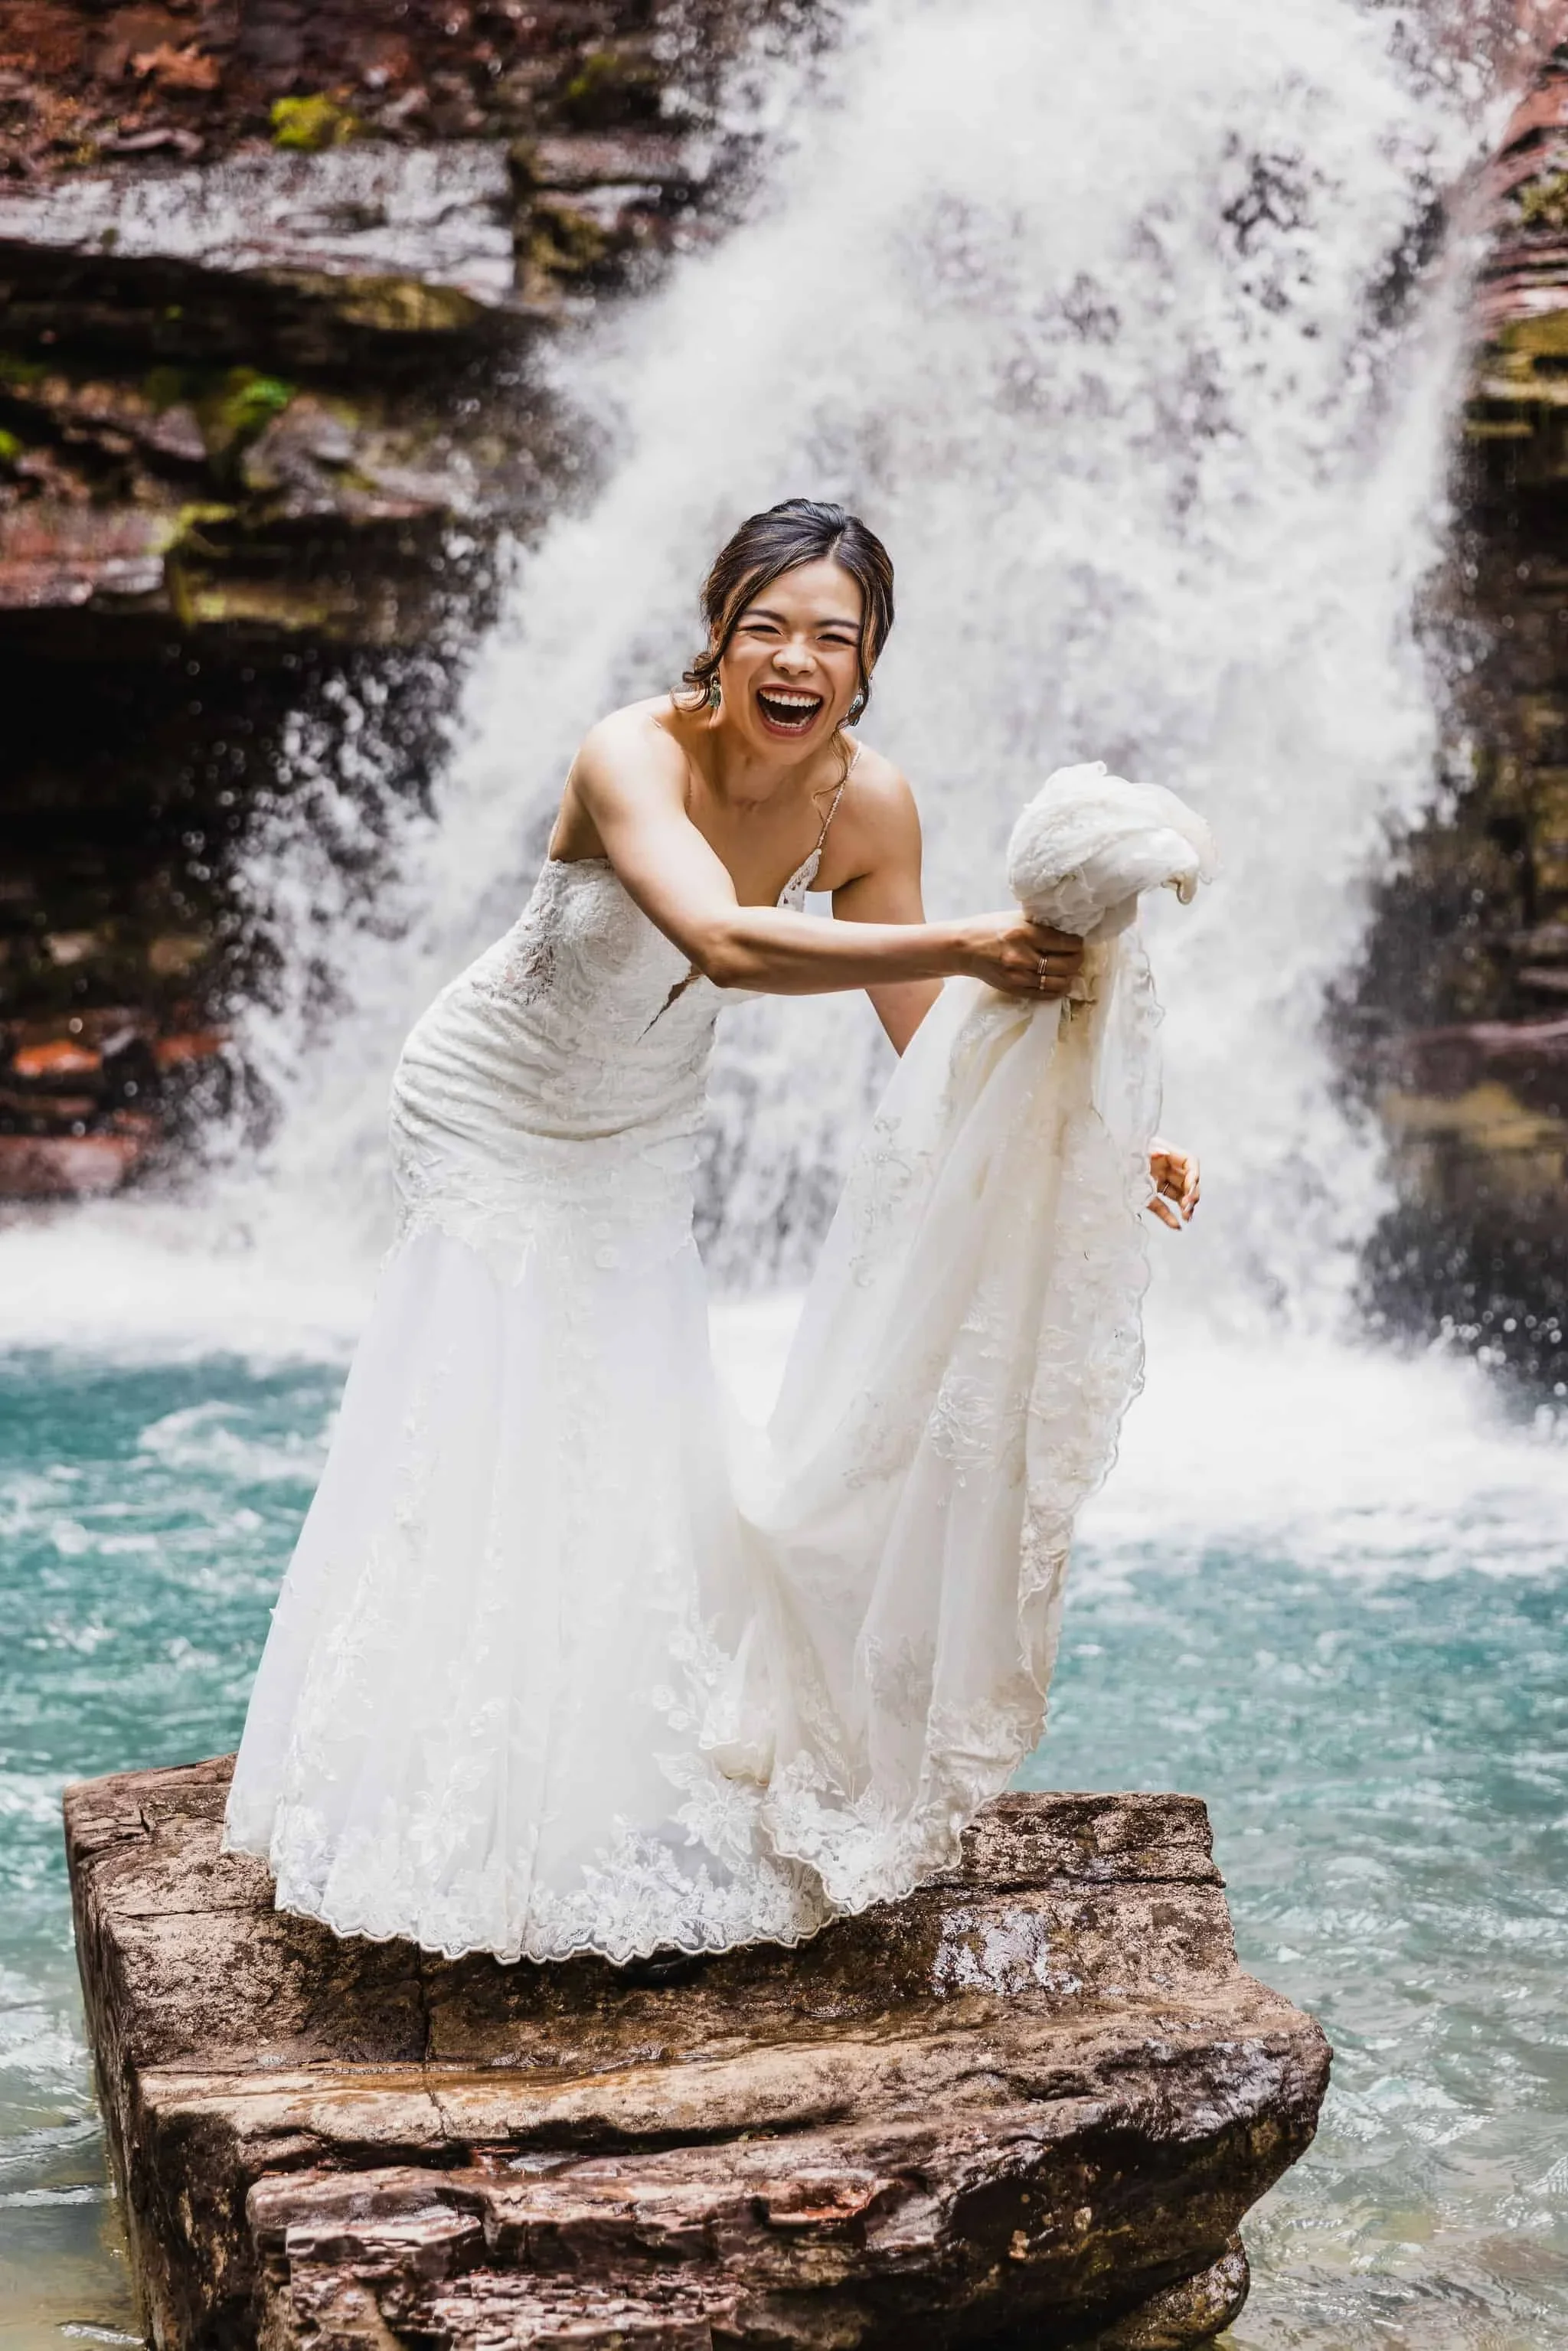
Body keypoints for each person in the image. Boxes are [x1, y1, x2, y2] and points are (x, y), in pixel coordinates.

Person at [224, 498, 1199, 1963]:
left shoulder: (868, 807)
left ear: (869, 663)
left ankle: (612, 1777)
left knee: (634, 1427)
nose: (796, 657)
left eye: (834, 636)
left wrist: (1093, 1139)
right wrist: (971, 939)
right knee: (495, 1411)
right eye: (768, 626)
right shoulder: (632, 752)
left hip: (642, 1131)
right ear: (719, 633)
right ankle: (430, 1798)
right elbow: (725, 938)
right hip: (491, 1107)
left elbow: (925, 1035)